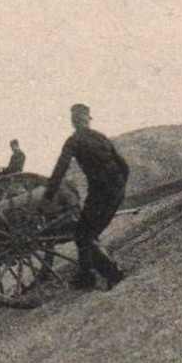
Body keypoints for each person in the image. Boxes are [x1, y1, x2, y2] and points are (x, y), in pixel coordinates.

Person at [44, 103, 130, 291]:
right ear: (87, 120)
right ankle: (86, 276)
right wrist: (119, 187)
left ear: (74, 122)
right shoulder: (101, 137)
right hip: (115, 192)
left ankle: (113, 273)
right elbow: (124, 167)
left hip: (99, 194)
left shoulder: (73, 141)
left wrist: (48, 196)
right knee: (87, 234)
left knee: (83, 236)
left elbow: (60, 169)